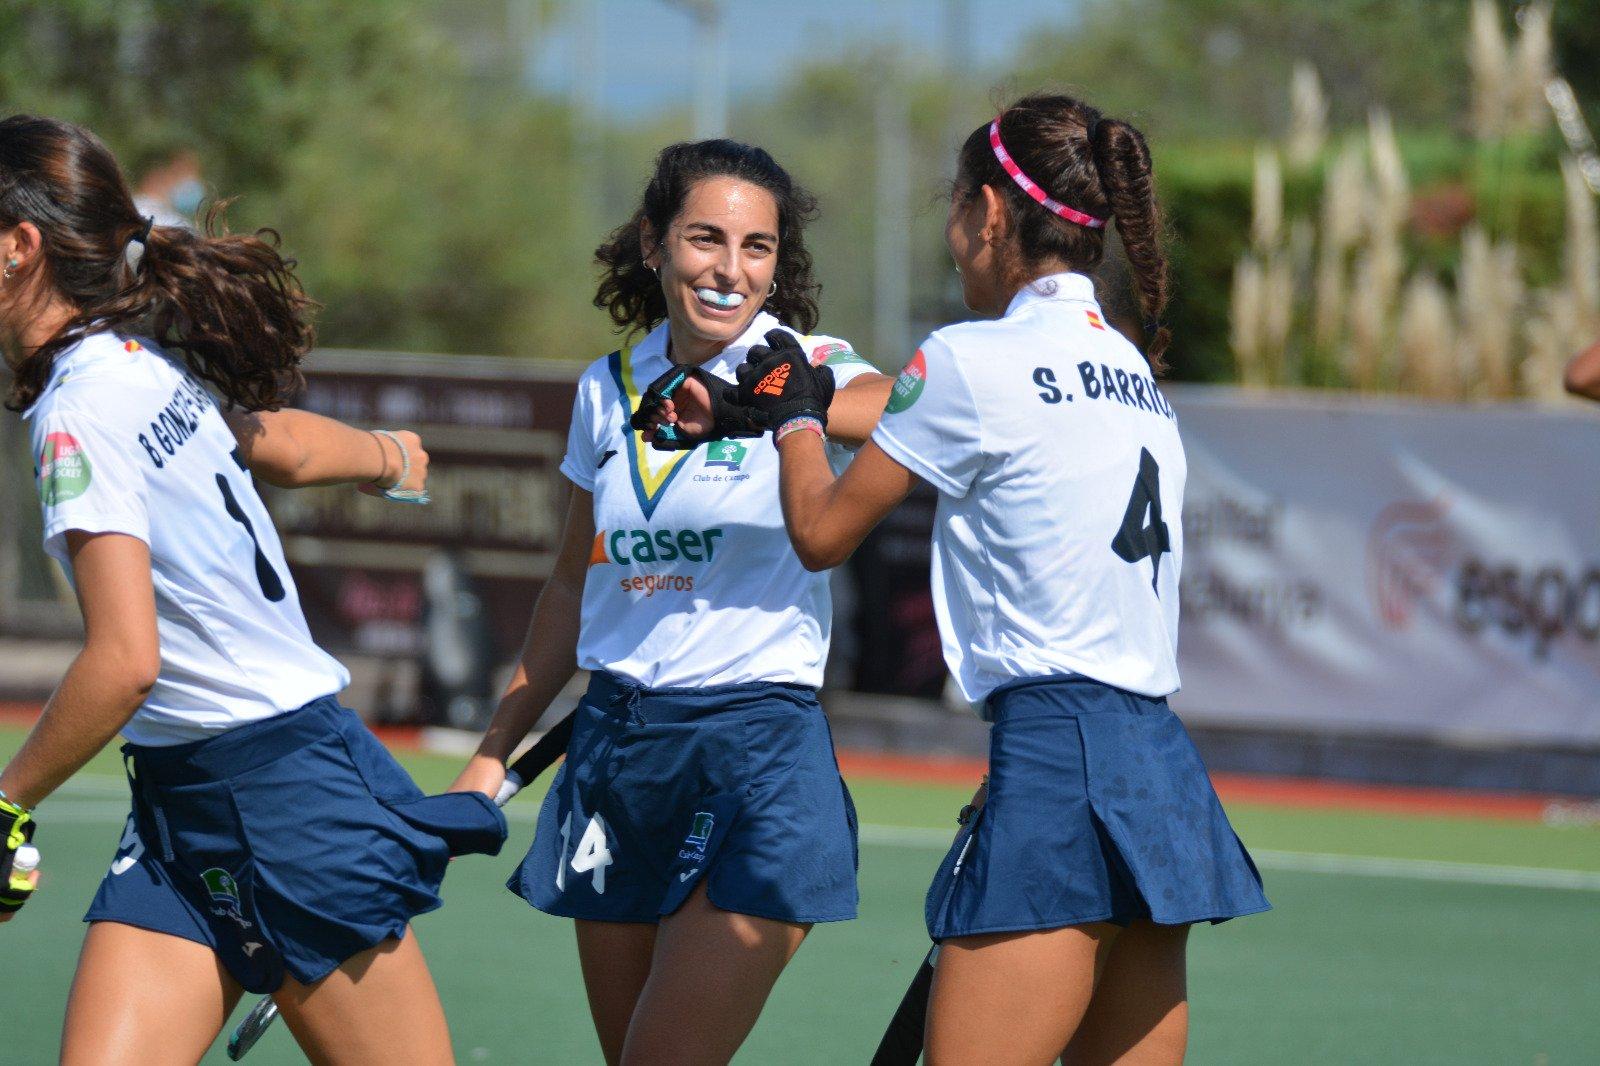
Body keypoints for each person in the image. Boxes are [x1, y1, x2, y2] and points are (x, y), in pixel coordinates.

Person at [714, 94, 1271, 1064]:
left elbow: (819, 532)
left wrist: (796, 413)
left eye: (953, 217)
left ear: (986, 213)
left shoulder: (970, 358)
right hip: (1156, 768)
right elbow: (939, 412)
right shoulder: (1129, 364)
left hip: (1060, 758)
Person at [0, 114, 504, 1065]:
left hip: (292, 800)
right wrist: (390, 457)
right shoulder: (137, 365)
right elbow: (283, 442)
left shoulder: (79, 411)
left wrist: (7, 799)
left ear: (21, 249)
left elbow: (123, 663)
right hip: (180, 813)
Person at [449, 138, 891, 1066]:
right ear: (654, 245)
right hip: (614, 752)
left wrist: (776, 400)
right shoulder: (604, 390)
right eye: (705, 239)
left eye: (758, 247)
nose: (731, 269)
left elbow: (913, 411)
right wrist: (490, 756)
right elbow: (574, 583)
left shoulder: (804, 360)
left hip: (758, 751)